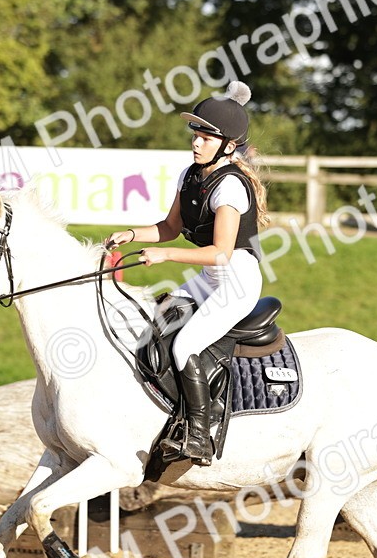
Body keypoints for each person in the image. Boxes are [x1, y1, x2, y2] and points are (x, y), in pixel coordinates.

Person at [106, 81, 269, 466]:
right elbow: (169, 227)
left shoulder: (229, 186)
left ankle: (200, 437)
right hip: (209, 277)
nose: (196, 143)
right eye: (195, 135)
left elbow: (220, 253)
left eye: (206, 138)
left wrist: (163, 256)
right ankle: (165, 417)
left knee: (184, 346)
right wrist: (129, 234)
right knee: (153, 329)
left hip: (235, 282)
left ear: (228, 145)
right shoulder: (190, 175)